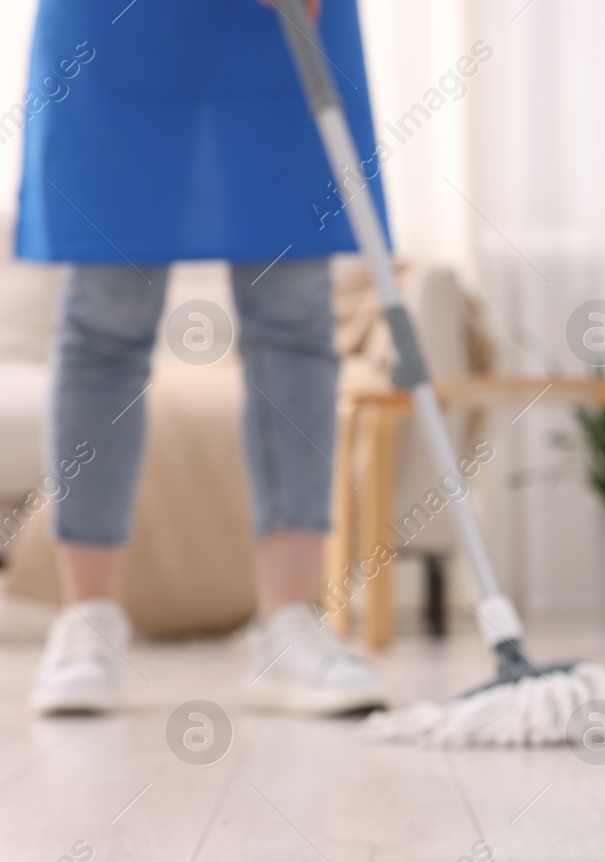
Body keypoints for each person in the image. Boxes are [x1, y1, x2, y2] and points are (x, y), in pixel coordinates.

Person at [19, 0, 387, 715]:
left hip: (278, 27)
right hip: (116, 24)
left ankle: (290, 625)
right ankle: (88, 621)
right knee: (105, 307)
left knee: (294, 305)